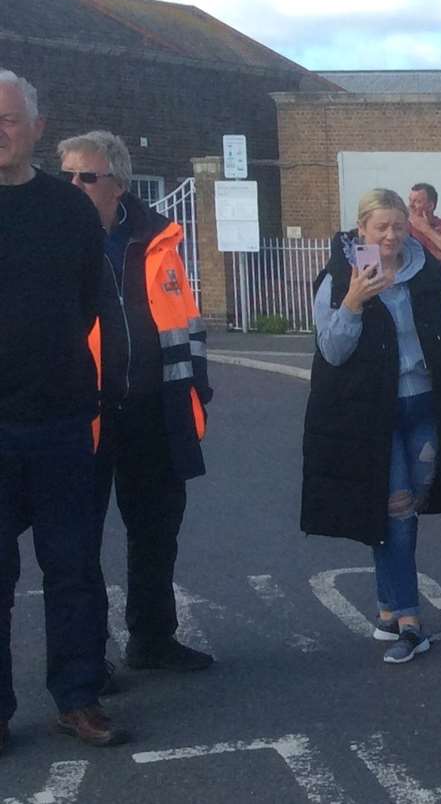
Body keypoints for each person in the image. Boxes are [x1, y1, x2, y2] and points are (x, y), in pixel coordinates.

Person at [56, 132, 215, 679]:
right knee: (78, 544)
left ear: (118, 184)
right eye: (68, 176)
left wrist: (199, 391)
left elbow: (186, 323)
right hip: (84, 413)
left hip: (155, 411)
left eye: (86, 176)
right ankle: (87, 659)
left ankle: (152, 639)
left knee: (155, 533)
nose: (74, 185)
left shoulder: (158, 240)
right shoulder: (55, 238)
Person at [1, 70, 121, 747]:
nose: (0, 132)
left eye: (10, 119)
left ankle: (78, 696)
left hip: (61, 420)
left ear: (37, 129)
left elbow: (87, 302)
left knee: (72, 567)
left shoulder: (68, 208)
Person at [303, 188, 441, 665]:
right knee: (397, 512)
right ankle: (411, 622)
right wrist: (354, 302)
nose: (391, 235)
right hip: (373, 413)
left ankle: (384, 608)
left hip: (423, 405)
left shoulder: (428, 273)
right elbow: (332, 350)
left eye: (398, 226)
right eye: (381, 227)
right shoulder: (341, 276)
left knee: (410, 507)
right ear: (362, 230)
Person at [406, 182, 441, 262]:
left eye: (417, 202)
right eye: (410, 200)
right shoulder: (404, 226)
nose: (411, 205)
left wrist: (426, 229)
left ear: (430, 206)